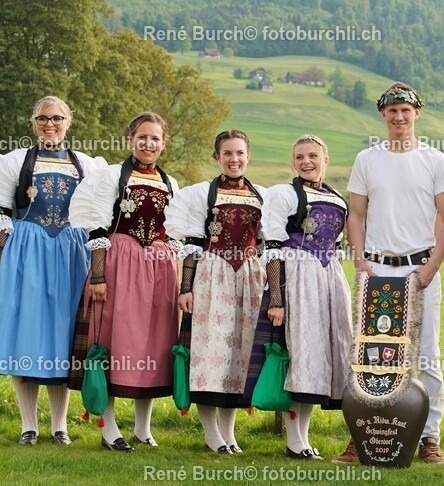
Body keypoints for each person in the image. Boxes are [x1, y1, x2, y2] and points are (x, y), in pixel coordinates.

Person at [338, 82, 444, 464]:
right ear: (383, 115)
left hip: (420, 268)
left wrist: (431, 267)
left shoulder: (435, 160)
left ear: (416, 113)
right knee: (370, 353)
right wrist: (359, 262)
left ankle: (429, 437)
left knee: (425, 355)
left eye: (405, 110)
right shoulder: (367, 159)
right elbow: (355, 215)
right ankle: (365, 435)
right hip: (375, 270)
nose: (399, 117)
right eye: (392, 111)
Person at [0, 95, 106, 446]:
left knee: (64, 338)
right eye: (43, 118)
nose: (50, 124)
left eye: (57, 117)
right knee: (27, 335)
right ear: (33, 122)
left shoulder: (87, 166)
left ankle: (59, 426)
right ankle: (28, 426)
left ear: (69, 121)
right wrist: (9, 257)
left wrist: (96, 268)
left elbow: (96, 219)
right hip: (29, 252)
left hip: (70, 251)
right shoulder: (15, 162)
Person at [68, 112, 180, 452]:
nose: (149, 143)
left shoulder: (170, 182)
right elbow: (99, 228)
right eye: (142, 137)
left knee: (153, 345)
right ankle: (109, 426)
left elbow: (176, 230)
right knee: (115, 342)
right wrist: (99, 276)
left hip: (160, 270)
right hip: (121, 264)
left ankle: (143, 428)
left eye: (155, 138)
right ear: (130, 138)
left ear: (164, 143)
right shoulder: (112, 177)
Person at [165, 130, 265, 454]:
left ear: (248, 156)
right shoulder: (203, 195)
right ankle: (211, 434)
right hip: (212, 276)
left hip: (247, 279)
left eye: (239, 153)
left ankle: (229, 434)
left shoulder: (260, 195)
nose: (234, 159)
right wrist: (186, 287)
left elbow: (264, 243)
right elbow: (193, 244)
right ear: (217, 157)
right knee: (210, 355)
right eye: (227, 154)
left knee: (238, 356)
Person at [260, 134, 351, 460]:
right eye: (299, 157)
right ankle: (294, 441)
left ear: (325, 159)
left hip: (330, 277)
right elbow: (272, 247)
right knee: (302, 355)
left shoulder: (338, 198)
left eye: (313, 156)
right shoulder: (284, 194)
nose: (306, 162)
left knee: (322, 357)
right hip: (298, 277)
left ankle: (304, 438)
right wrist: (276, 299)